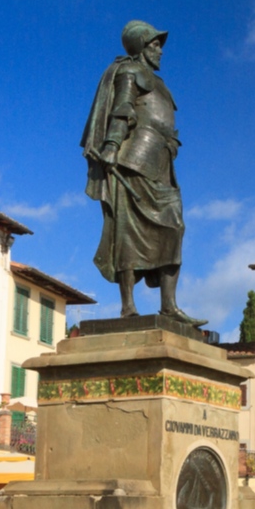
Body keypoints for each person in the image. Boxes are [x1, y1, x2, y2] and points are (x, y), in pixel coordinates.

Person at [81, 21, 200, 324]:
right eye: (155, 44)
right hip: (134, 160)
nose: (160, 50)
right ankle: (128, 307)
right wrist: (110, 145)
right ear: (141, 46)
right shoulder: (129, 72)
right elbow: (123, 109)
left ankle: (169, 305)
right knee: (127, 234)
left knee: (175, 228)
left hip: (162, 164)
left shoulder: (160, 83)